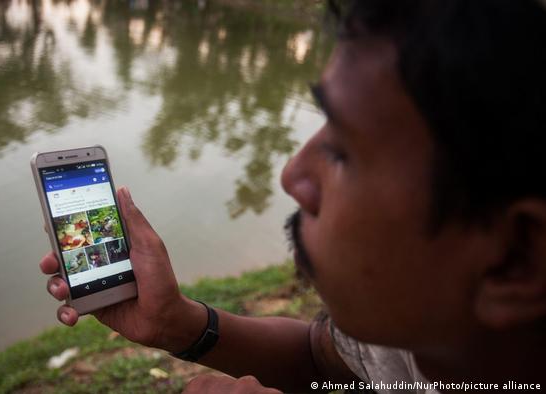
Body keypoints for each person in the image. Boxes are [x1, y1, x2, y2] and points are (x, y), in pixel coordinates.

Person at [40, 1, 546, 392]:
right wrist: (177, 322)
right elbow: (323, 360)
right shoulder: (425, 333)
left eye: (346, 151)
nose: (292, 176)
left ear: (516, 258)